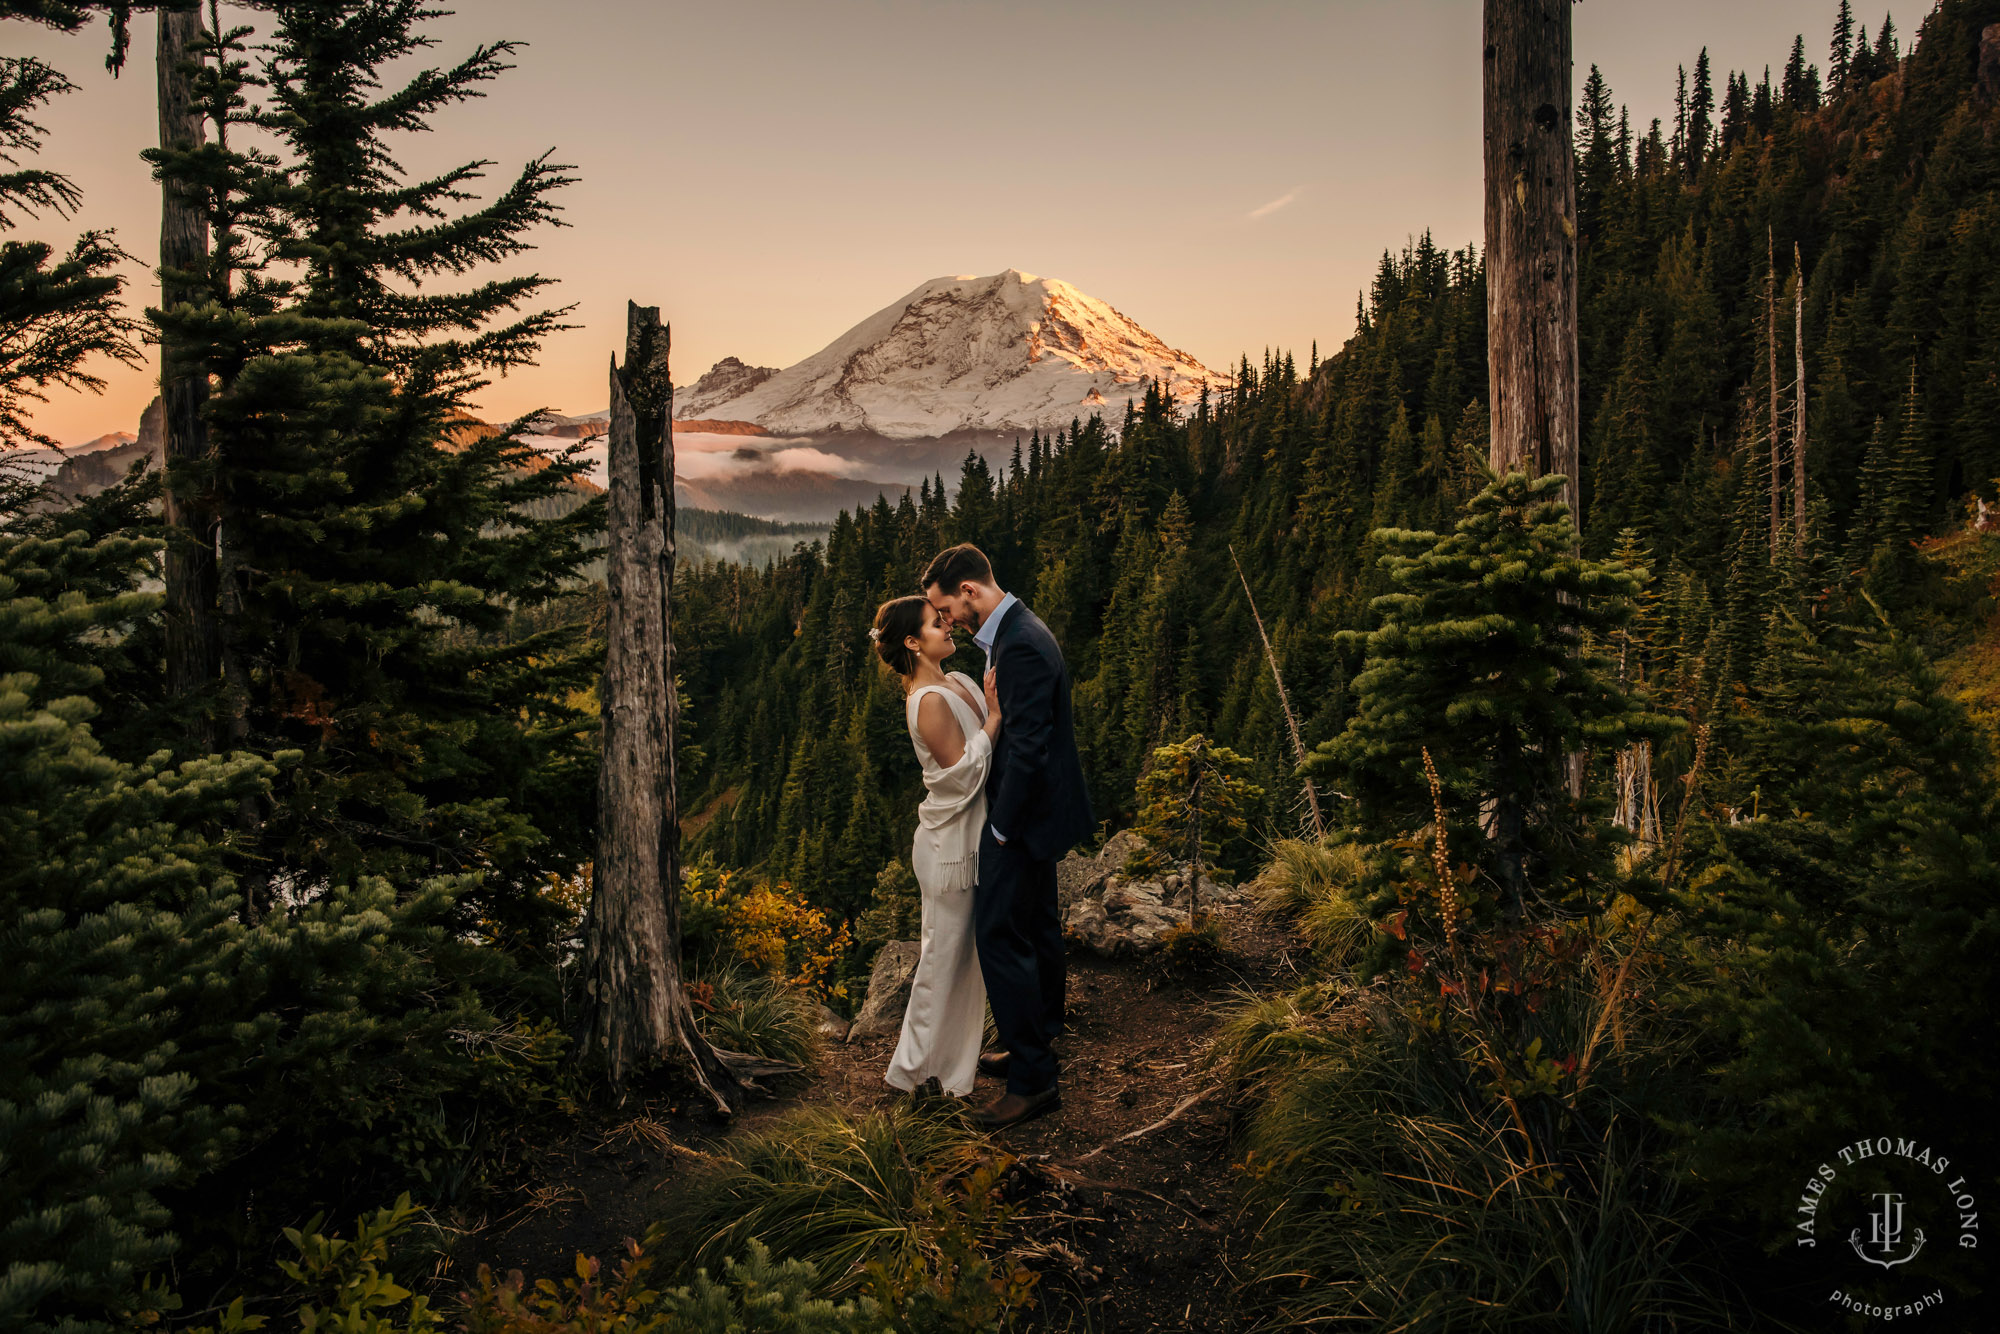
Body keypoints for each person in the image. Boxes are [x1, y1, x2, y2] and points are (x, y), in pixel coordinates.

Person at [922, 543, 1092, 1130]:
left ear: (969, 591)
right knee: (1039, 919)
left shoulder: (1018, 643)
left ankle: (1034, 1080)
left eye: (946, 609)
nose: (946, 621)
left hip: (1022, 817)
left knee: (999, 934)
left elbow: (1027, 749)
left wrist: (998, 828)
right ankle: (1039, 1034)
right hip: (1041, 812)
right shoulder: (1015, 629)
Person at [871, 594, 1003, 1098]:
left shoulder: (961, 681)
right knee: (942, 957)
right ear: (912, 642)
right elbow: (960, 777)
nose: (947, 625)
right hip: (950, 848)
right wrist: (991, 720)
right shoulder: (927, 703)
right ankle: (911, 1074)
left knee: (965, 960)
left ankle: (948, 1074)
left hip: (969, 838)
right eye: (934, 623)